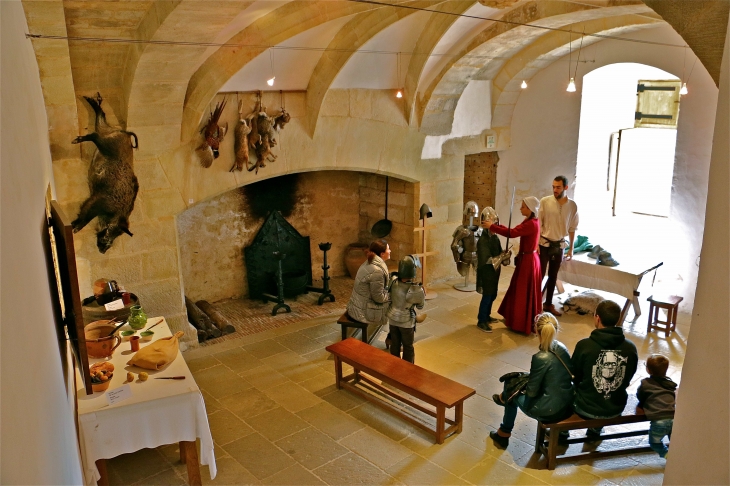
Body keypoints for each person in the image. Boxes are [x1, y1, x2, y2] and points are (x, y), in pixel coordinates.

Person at [490, 313, 574, 448]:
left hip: (548, 409)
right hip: (566, 403)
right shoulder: (562, 348)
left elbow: (532, 392)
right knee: (516, 383)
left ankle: (503, 433)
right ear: (556, 329)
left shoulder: (540, 357)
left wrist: (520, 386)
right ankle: (563, 433)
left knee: (510, 388)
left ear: (537, 331)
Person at [572, 300, 638, 438]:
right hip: (615, 407)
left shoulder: (584, 346)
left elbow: (574, 375)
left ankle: (562, 432)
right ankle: (595, 431)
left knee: (565, 387)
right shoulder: (630, 348)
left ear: (597, 318)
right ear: (618, 319)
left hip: (584, 407)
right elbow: (628, 376)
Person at [484, 197, 542, 335]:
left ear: (529, 208)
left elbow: (513, 233)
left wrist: (492, 227)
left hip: (529, 261)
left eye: (523, 206)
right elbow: (514, 230)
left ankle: (522, 323)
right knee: (518, 289)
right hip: (527, 258)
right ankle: (515, 319)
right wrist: (499, 225)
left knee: (523, 291)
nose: (520, 208)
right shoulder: (530, 221)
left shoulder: (531, 223)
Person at [538, 175, 579, 317]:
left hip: (560, 244)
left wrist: (571, 249)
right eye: (553, 187)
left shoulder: (572, 206)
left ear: (566, 188)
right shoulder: (545, 202)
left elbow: (572, 228)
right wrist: (536, 244)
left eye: (558, 187)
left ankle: (548, 304)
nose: (555, 190)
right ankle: (535, 304)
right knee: (540, 274)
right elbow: (538, 224)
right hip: (544, 243)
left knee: (553, 275)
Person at [346, 239, 391, 338]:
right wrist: (391, 295)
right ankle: (393, 337)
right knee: (398, 303)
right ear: (382, 254)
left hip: (358, 305)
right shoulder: (377, 271)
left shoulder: (370, 262)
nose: (390, 251)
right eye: (388, 249)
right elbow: (378, 298)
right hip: (363, 311)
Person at [386, 255, 425, 363]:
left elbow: (388, 298)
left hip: (392, 318)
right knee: (408, 346)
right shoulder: (416, 289)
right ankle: (407, 370)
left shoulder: (392, 281)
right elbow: (420, 306)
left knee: (395, 344)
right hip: (407, 322)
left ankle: (395, 366)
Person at [637, 354, 677, 458]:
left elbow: (640, 395)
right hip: (673, 418)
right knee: (674, 440)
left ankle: (666, 454)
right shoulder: (670, 384)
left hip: (659, 421)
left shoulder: (645, 383)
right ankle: (678, 455)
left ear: (648, 370)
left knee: (655, 442)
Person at [476, 207, 504, 332]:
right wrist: (501, 257)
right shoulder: (482, 239)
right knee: (487, 296)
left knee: (493, 295)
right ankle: (481, 320)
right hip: (486, 271)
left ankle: (487, 316)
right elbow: (486, 259)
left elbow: (498, 252)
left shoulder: (495, 237)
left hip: (494, 272)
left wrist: (505, 255)